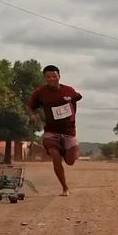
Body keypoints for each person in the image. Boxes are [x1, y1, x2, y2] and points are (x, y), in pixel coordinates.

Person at [27, 65, 82, 196]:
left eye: (54, 76)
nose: (51, 79)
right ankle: (65, 188)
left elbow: (77, 98)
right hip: (51, 131)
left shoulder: (68, 90)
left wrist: (72, 115)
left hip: (69, 132)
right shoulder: (40, 93)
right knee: (55, 157)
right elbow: (31, 107)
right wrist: (33, 115)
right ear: (45, 78)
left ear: (59, 76)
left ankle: (66, 149)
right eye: (48, 77)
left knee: (70, 161)